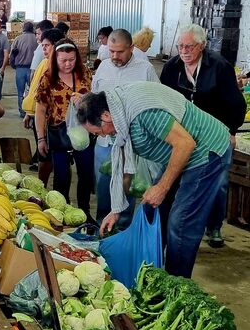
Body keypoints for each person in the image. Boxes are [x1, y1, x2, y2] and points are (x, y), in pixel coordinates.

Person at [76, 82, 232, 278]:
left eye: (98, 132)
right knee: (152, 210)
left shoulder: (143, 112)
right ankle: (152, 272)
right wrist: (116, 210)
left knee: (181, 222)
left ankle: (176, 283)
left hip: (206, 151)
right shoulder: (119, 114)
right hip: (180, 154)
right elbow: (124, 165)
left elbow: (185, 143)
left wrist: (162, 187)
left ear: (105, 116)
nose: (102, 136)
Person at [160, 24, 246, 247]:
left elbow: (236, 104)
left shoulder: (219, 66)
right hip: (183, 134)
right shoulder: (172, 68)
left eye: (190, 46)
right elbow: (164, 100)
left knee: (218, 183)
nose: (184, 51)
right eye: (180, 46)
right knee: (176, 178)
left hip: (214, 134)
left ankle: (214, 226)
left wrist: (231, 131)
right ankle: (169, 225)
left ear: (202, 46)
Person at [92, 29, 160, 226]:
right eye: (111, 51)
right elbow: (95, 96)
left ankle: (122, 227)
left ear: (131, 48)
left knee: (126, 187)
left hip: (132, 142)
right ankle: (101, 228)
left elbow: (155, 101)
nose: (114, 56)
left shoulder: (145, 69)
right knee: (104, 186)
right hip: (105, 140)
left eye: (119, 52)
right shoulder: (104, 67)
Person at [35, 39, 94, 221]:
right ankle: (62, 212)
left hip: (83, 133)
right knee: (61, 177)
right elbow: (40, 110)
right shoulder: (47, 78)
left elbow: (96, 101)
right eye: (63, 60)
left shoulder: (86, 75)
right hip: (58, 134)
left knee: (85, 175)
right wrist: (41, 139)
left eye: (72, 59)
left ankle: (84, 211)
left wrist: (85, 101)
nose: (68, 64)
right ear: (55, 59)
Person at [23, 29, 65, 183]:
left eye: (47, 46)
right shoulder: (43, 63)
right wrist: (29, 112)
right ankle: (42, 185)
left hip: (53, 120)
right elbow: (35, 90)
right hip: (38, 116)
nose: (44, 49)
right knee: (44, 154)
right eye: (43, 46)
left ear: (57, 46)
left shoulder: (60, 67)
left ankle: (49, 185)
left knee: (51, 156)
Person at [10, 21, 38, 118]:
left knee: (20, 93)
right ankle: (31, 112)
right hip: (34, 69)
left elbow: (12, 55)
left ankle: (22, 112)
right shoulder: (37, 39)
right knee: (33, 91)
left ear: (23, 29)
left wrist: (13, 65)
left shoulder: (17, 39)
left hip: (20, 69)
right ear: (32, 29)